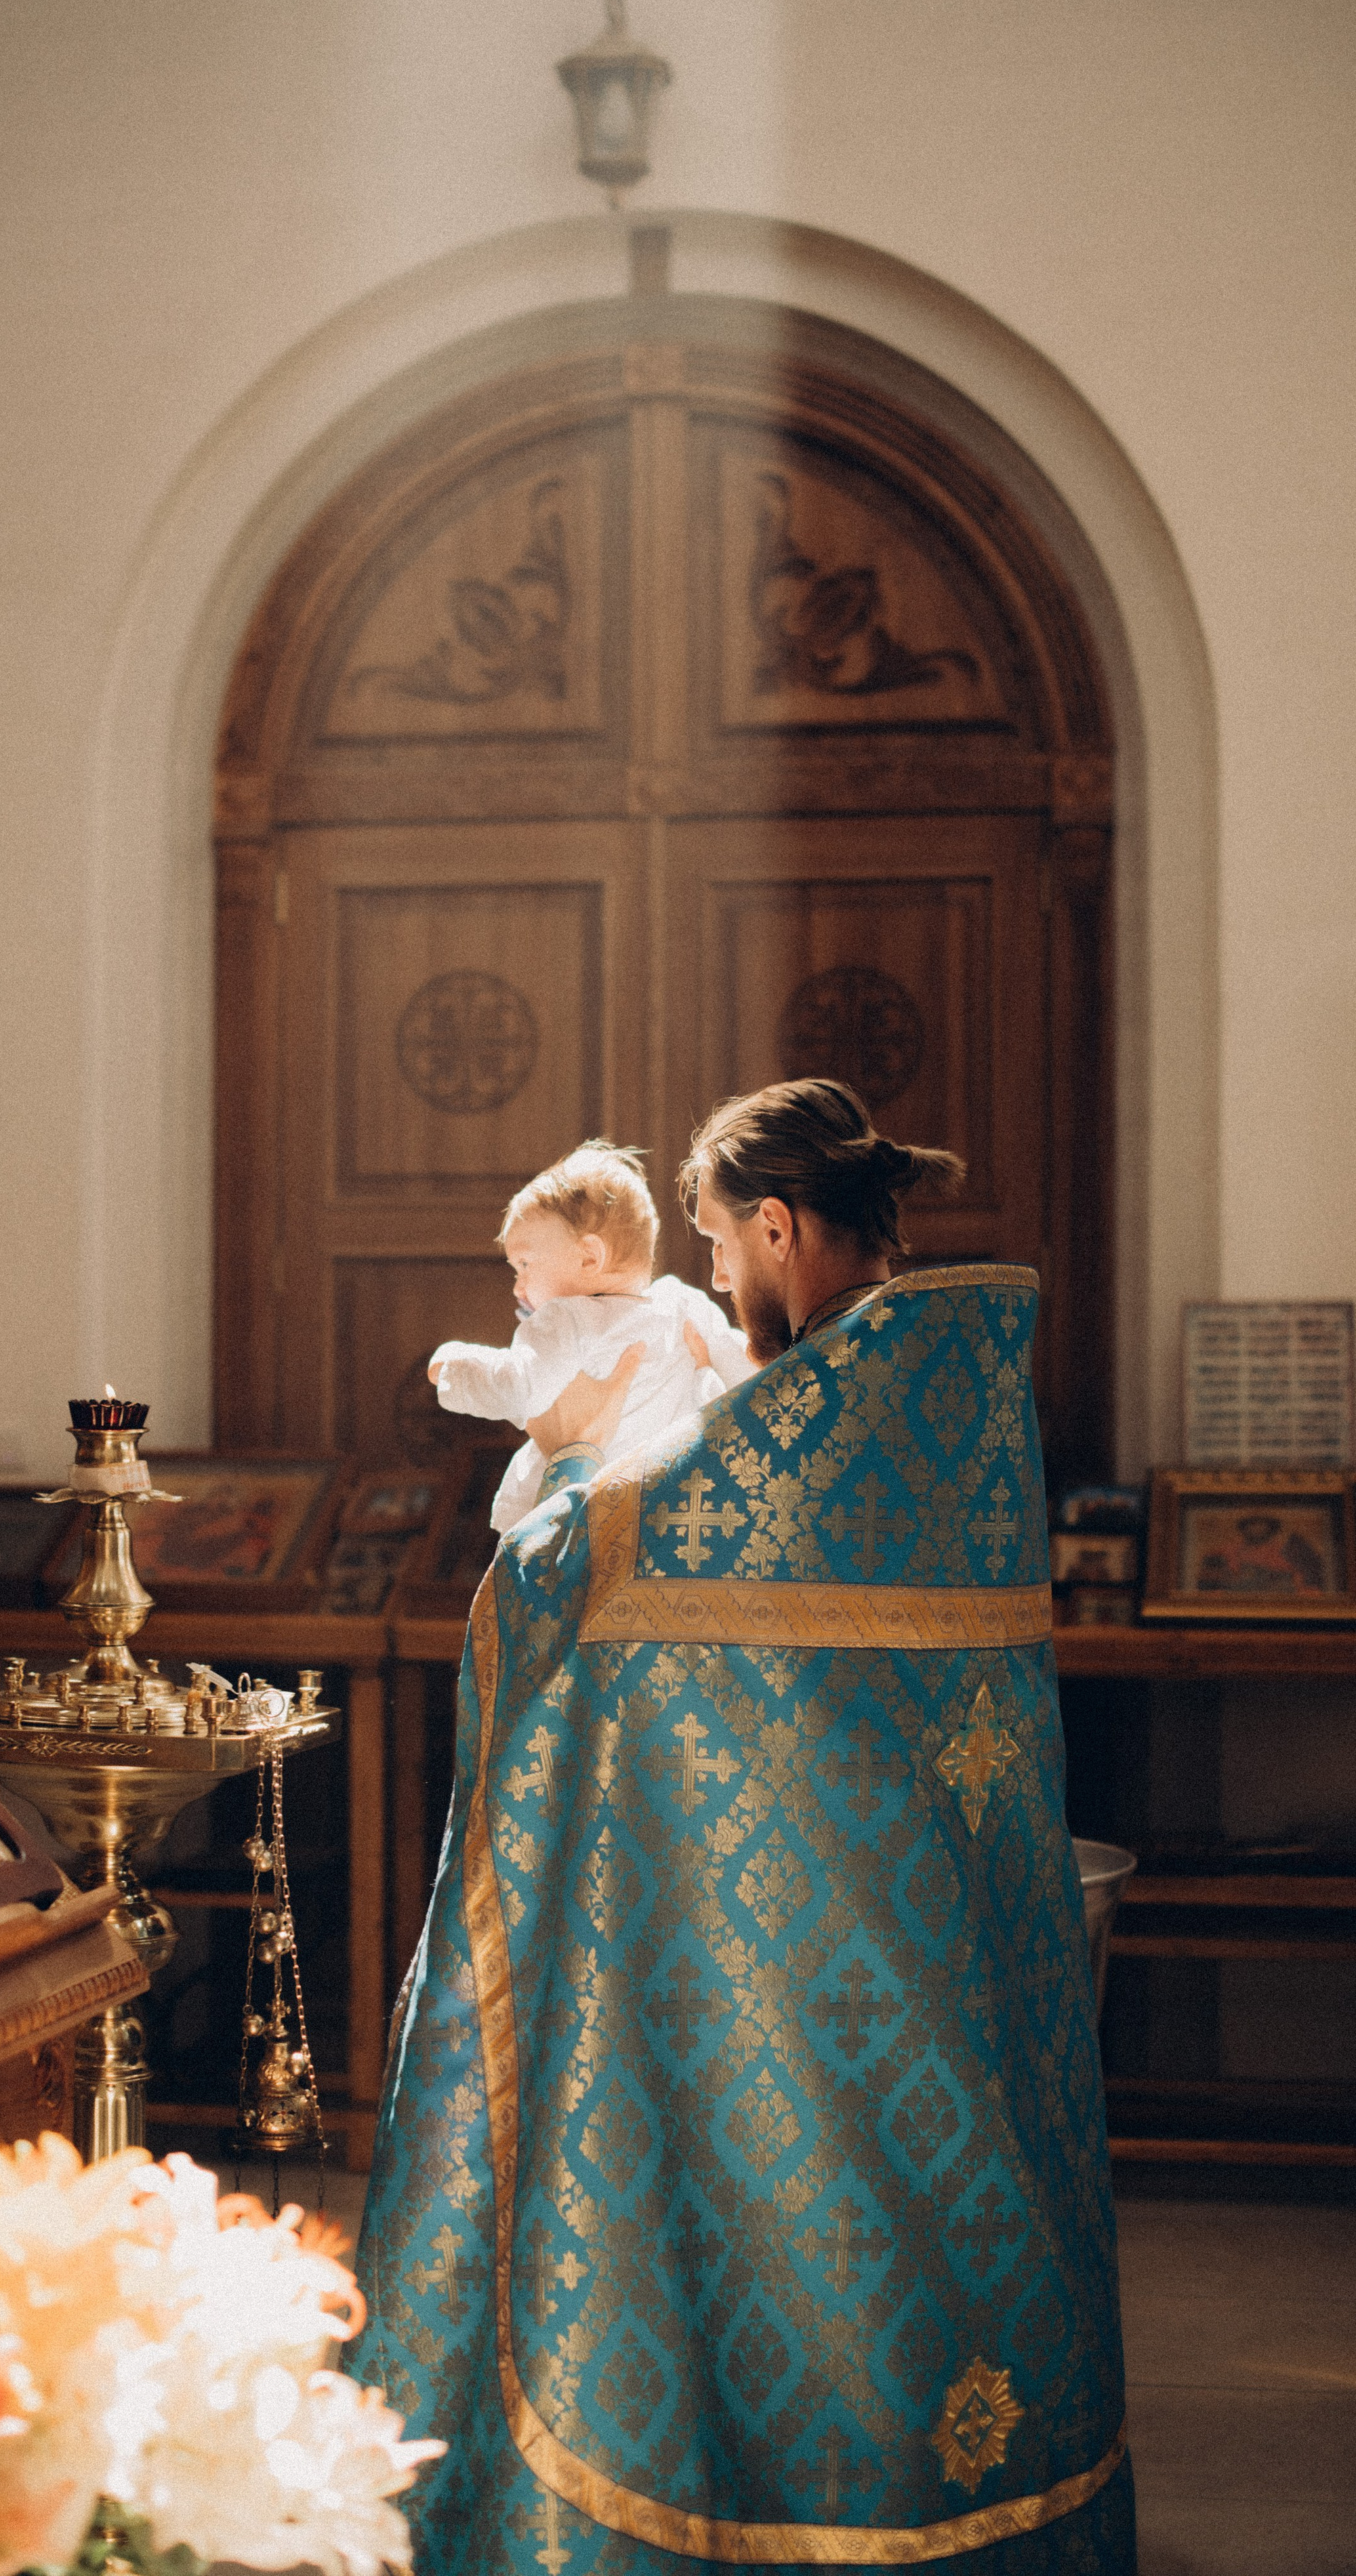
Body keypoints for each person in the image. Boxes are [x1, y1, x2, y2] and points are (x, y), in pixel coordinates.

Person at [354, 1078, 1136, 2576]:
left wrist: (564, 1483)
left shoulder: (835, 1399)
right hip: (936, 1936)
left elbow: (582, 1563)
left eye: (718, 1243)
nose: (711, 1275)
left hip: (793, 1944)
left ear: (776, 1228)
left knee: (789, 2217)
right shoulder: (948, 1373)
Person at [428, 1141, 756, 1533]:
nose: (518, 1287)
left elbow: (519, 1387)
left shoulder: (566, 1318)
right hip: (668, 1508)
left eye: (525, 1264)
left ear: (589, 1257)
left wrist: (453, 1364)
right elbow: (746, 1369)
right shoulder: (682, 1303)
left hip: (575, 1512)